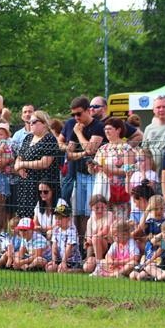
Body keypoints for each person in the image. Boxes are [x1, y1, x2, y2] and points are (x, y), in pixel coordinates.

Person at [66, 97, 105, 239]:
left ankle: (90, 240)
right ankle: (80, 241)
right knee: (78, 211)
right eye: (73, 115)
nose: (76, 117)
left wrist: (78, 134)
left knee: (90, 211)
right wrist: (83, 154)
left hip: (94, 174)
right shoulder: (76, 125)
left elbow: (91, 149)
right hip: (79, 173)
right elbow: (69, 154)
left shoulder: (98, 126)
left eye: (79, 113)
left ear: (88, 110)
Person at [14, 110, 59, 219]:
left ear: (44, 123)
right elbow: (19, 156)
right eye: (29, 122)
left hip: (41, 185)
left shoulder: (49, 139)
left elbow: (45, 163)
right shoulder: (28, 138)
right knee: (24, 216)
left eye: (34, 122)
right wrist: (18, 167)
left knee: (39, 216)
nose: (31, 124)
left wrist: (22, 164)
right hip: (25, 184)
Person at [90, 117, 135, 220]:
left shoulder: (127, 149)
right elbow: (94, 171)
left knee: (119, 222)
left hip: (119, 193)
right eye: (105, 129)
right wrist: (92, 167)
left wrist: (111, 171)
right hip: (102, 191)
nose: (106, 131)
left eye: (109, 129)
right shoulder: (102, 148)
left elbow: (129, 171)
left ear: (118, 130)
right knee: (103, 221)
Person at [46, 201, 81, 273]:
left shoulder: (72, 231)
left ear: (68, 218)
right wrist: (54, 261)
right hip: (60, 259)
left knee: (62, 271)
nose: (57, 220)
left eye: (60, 218)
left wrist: (63, 262)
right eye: (56, 218)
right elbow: (54, 246)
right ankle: (60, 267)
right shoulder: (56, 230)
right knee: (50, 269)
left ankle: (78, 270)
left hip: (72, 260)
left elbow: (69, 247)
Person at [82, 194, 113, 274]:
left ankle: (99, 267)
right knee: (87, 268)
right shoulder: (90, 221)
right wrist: (89, 241)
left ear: (106, 206)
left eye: (102, 208)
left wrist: (94, 237)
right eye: (97, 208)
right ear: (91, 207)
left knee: (96, 238)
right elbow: (88, 239)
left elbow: (106, 230)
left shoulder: (109, 215)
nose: (100, 210)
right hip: (94, 249)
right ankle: (97, 262)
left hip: (107, 247)